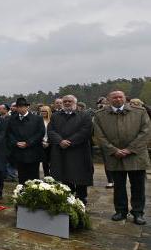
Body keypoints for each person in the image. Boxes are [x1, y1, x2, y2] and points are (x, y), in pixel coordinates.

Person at [94, 90, 151, 225]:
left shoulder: (140, 112)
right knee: (119, 186)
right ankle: (120, 211)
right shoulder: (100, 115)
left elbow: (146, 132)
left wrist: (130, 149)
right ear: (108, 99)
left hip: (136, 156)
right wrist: (113, 150)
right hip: (115, 156)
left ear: (125, 98)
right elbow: (99, 135)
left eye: (120, 97)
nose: (118, 99)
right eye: (114, 97)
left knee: (138, 186)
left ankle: (138, 212)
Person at [48, 95, 93, 204]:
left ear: (75, 103)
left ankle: (81, 198)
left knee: (80, 176)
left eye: (70, 101)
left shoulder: (84, 115)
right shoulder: (55, 116)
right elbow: (51, 131)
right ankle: (65, 197)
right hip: (60, 151)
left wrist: (69, 142)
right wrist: (60, 141)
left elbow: (85, 131)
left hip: (78, 151)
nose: (67, 103)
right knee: (63, 175)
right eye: (65, 101)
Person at [7, 97, 45, 184]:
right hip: (18, 151)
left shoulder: (37, 119)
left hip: (33, 152)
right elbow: (9, 133)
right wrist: (16, 142)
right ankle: (22, 192)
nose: (20, 108)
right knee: (22, 175)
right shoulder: (12, 119)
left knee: (34, 177)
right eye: (18, 106)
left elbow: (40, 133)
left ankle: (34, 194)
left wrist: (28, 143)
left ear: (27, 107)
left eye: (22, 106)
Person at [40, 105, 52, 177]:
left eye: (45, 111)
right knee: (44, 161)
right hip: (41, 143)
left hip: (51, 143)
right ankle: (46, 176)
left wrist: (49, 142)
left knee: (52, 161)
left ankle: (52, 176)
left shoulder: (52, 121)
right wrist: (42, 141)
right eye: (42, 111)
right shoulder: (39, 120)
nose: (43, 112)